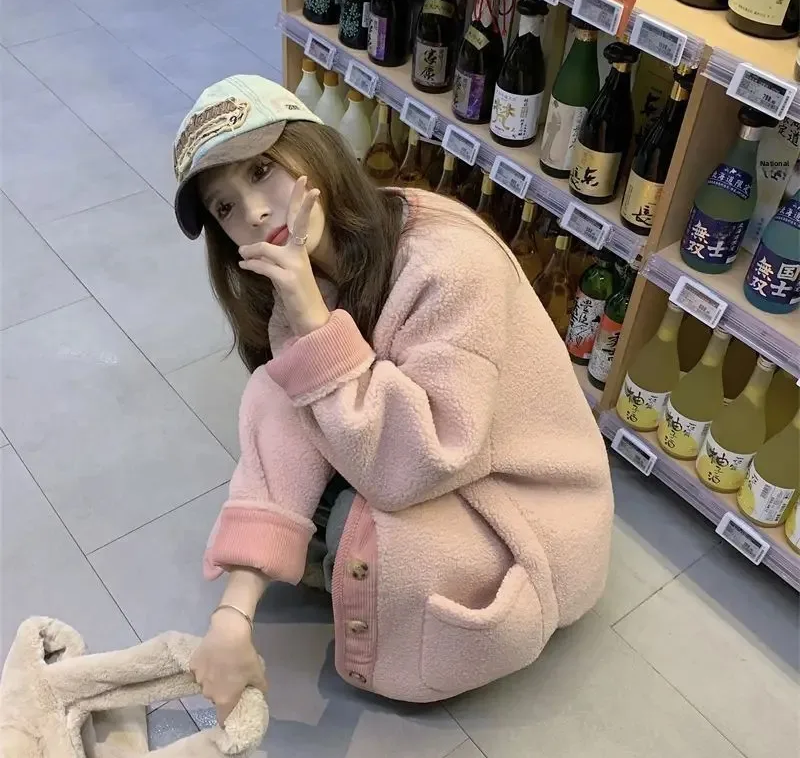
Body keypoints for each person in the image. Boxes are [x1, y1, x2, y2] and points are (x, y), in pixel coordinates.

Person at [173, 75, 613, 722]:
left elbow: (424, 459)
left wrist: (314, 323)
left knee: (360, 527)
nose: (255, 213)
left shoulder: (448, 263)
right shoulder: (305, 273)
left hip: (523, 507)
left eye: (262, 170)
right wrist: (233, 614)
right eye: (224, 207)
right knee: (283, 390)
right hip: (428, 458)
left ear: (314, 148)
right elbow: (288, 410)